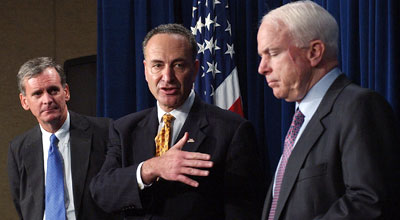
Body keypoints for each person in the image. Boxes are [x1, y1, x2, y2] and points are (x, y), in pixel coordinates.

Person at [90, 23, 266, 219]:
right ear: (146, 70)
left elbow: (243, 212)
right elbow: (102, 192)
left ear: (195, 69)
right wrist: (152, 167)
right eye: (158, 65)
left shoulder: (232, 130)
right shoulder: (124, 129)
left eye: (178, 65)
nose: (167, 77)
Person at [257, 1, 400, 219]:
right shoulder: (302, 119)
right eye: (261, 56)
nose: (262, 68)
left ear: (314, 52)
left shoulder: (358, 107)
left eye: (273, 53)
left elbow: (369, 203)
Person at [7, 57, 120, 220]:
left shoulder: (104, 131)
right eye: (37, 94)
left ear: (65, 92)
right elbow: (22, 204)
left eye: (53, 90)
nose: (47, 100)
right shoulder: (18, 148)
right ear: (25, 102)